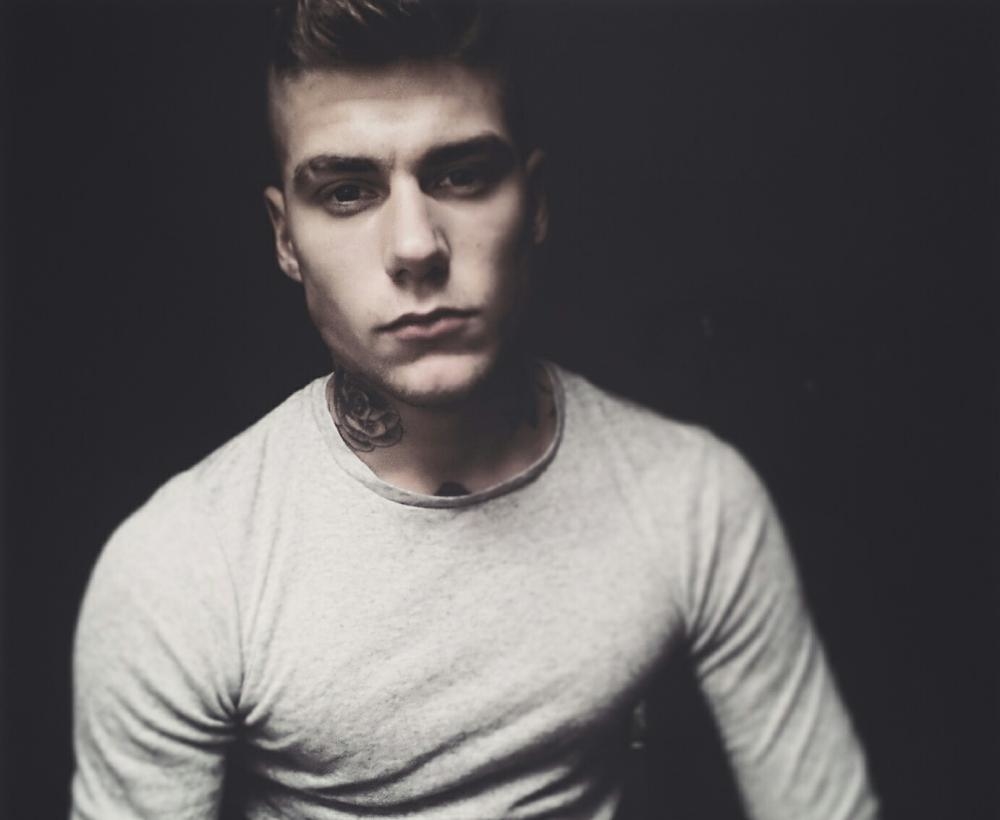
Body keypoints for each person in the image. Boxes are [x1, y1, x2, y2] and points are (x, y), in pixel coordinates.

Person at [70, 1, 879, 818]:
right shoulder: (180, 569)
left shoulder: (694, 501)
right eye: (347, 191)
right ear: (286, 239)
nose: (416, 246)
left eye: (461, 175)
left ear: (535, 202)